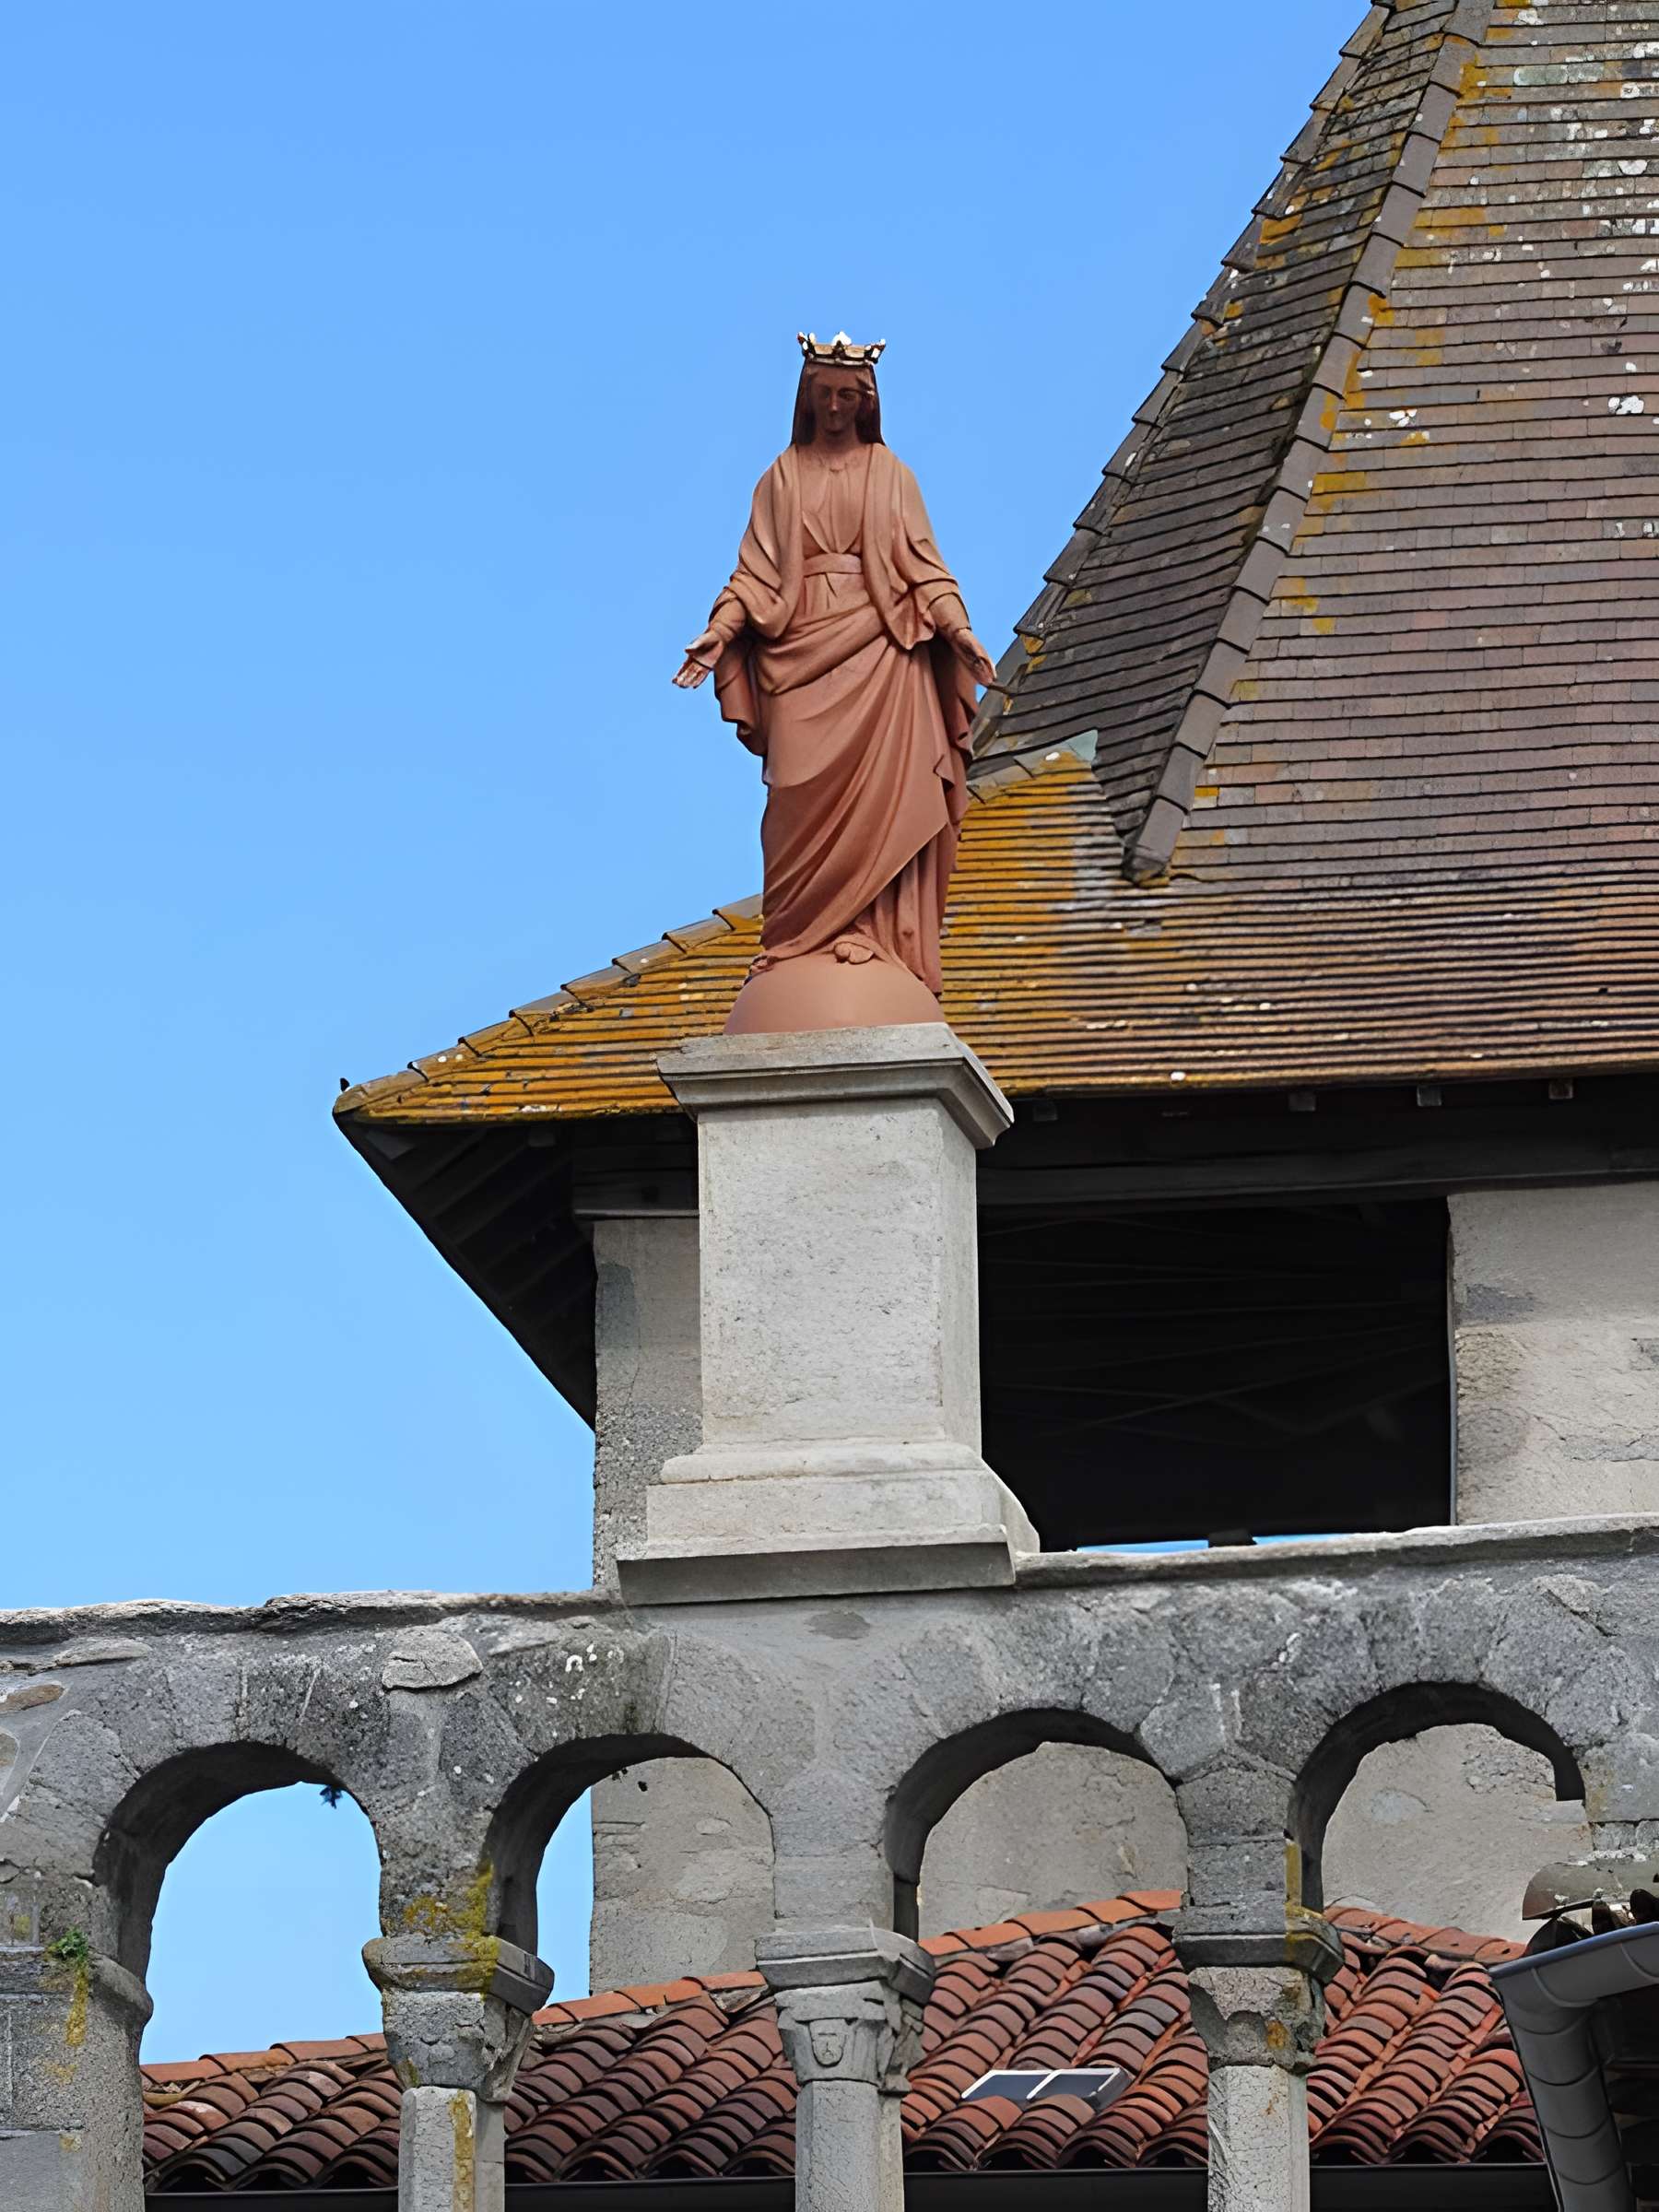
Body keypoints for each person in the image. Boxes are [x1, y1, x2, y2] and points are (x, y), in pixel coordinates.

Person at [675, 334, 995, 1027]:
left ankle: (872, 935)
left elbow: (925, 569)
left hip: (882, 650)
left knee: (885, 799)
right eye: (823, 395)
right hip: (798, 647)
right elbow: (754, 573)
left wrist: (959, 632)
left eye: (848, 396)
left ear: (866, 402)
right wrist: (721, 630)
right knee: (794, 798)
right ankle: (793, 939)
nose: (835, 408)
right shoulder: (782, 478)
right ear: (806, 398)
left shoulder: (891, 475)